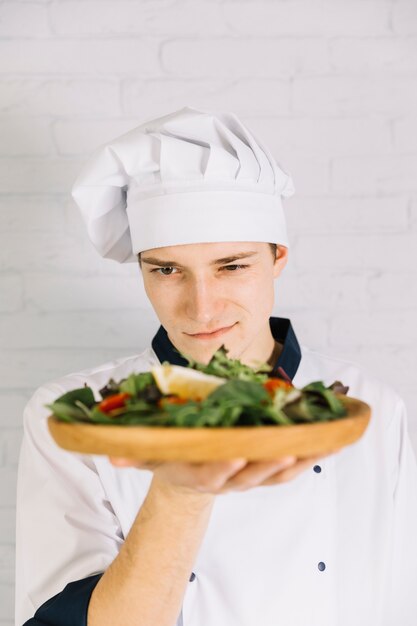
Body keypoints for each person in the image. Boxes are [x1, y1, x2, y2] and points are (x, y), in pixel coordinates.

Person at [15, 107, 417, 626]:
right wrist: (181, 490)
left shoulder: (369, 405)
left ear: (278, 259)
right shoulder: (78, 415)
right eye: (167, 270)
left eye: (232, 266)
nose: (202, 309)